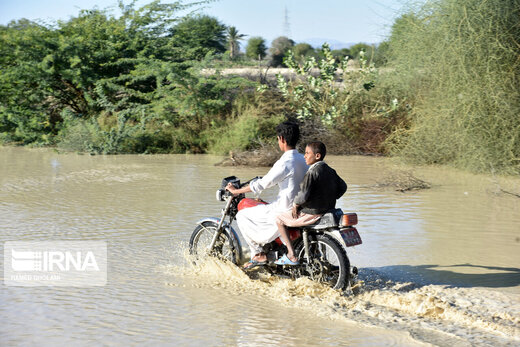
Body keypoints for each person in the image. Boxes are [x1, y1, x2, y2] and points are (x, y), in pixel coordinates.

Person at [226, 121, 308, 269]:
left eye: (278, 139)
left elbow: (262, 184)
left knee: (242, 215)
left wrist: (236, 191)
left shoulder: (285, 162)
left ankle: (258, 254)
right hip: (302, 208)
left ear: (281, 139)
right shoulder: (305, 159)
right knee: (262, 206)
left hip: (284, 210)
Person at [274, 141, 347, 265]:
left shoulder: (312, 172)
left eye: (307, 153)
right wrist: (330, 196)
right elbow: (343, 187)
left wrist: (296, 204)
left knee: (279, 219)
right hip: (327, 210)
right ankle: (311, 249)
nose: (305, 156)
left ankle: (291, 254)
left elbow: (303, 194)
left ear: (317, 156)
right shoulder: (330, 170)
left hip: (312, 213)